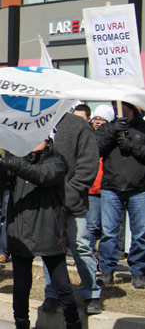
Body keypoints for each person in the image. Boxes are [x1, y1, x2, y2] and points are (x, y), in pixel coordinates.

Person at [0, 139, 82, 329]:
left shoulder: (56, 162)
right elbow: (2, 177)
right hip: (21, 232)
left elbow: (41, 175)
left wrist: (13, 162)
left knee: (62, 285)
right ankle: (21, 323)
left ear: (48, 142)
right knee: (21, 286)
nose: (33, 142)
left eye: (39, 138)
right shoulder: (19, 160)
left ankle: (73, 322)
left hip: (49, 232)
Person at [42, 111, 101, 315]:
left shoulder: (77, 125)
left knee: (81, 246)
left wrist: (73, 190)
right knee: (49, 250)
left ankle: (92, 293)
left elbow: (89, 163)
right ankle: (52, 293)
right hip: (47, 202)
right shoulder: (35, 123)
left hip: (73, 201)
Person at [96, 101, 145, 289]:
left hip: (138, 187)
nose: (116, 109)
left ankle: (139, 271)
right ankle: (107, 271)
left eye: (120, 105)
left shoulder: (142, 128)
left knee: (140, 234)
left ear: (130, 107)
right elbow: (95, 149)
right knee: (109, 233)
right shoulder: (108, 128)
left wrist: (133, 146)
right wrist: (111, 132)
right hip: (111, 187)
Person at [87, 105, 115, 254]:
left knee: (109, 227)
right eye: (95, 119)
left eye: (102, 120)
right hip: (92, 188)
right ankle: (88, 254)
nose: (97, 122)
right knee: (92, 225)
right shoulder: (88, 137)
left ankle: (105, 257)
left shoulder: (114, 138)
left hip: (109, 187)